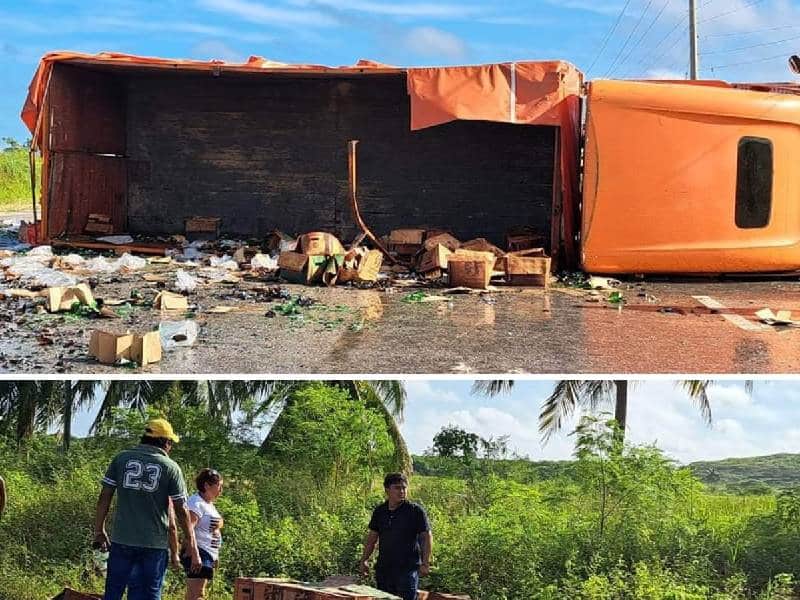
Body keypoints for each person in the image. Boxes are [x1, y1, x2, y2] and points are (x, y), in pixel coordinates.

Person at [94, 418, 201, 600]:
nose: (171, 447)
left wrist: (99, 530)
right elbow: (181, 510)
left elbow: (105, 497)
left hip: (122, 541)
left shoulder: (121, 459)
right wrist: (191, 542)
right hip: (154, 546)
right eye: (170, 443)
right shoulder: (171, 468)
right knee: (148, 595)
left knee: (113, 592)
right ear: (165, 442)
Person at [360, 473, 432, 600]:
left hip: (408, 569)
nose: (402, 491)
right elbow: (372, 538)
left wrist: (425, 563)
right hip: (384, 569)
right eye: (397, 488)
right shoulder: (380, 511)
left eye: (404, 488)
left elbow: (426, 537)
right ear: (387, 490)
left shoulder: (415, 511)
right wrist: (364, 560)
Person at [181, 468, 225, 600]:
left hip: (207, 554)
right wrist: (194, 555)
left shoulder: (208, 504)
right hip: (199, 553)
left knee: (194, 594)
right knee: (198, 594)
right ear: (207, 485)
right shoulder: (196, 503)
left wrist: (220, 524)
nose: (220, 490)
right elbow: (189, 529)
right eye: (219, 486)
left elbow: (216, 521)